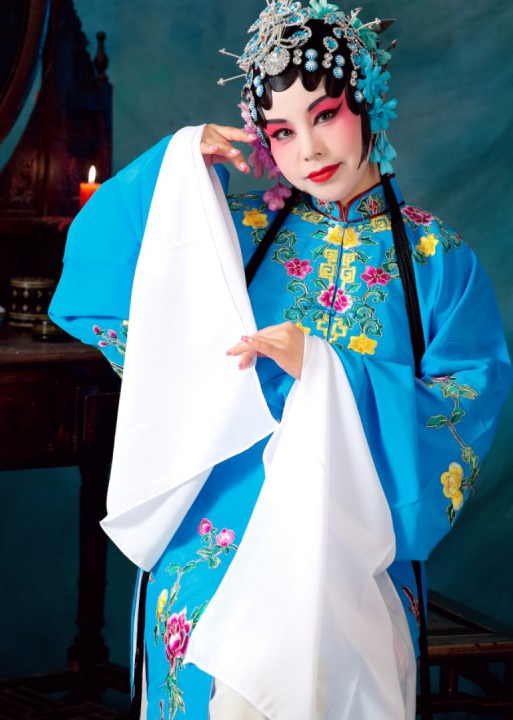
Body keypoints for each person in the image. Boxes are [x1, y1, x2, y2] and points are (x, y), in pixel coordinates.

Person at [50, 1, 512, 718]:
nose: (310, 151)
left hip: (354, 544)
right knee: (204, 645)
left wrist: (327, 370)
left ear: (368, 99)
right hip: (216, 534)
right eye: (283, 132)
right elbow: (100, 274)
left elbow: (462, 410)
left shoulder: (437, 260)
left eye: (326, 114)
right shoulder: (234, 234)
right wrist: (177, 163)